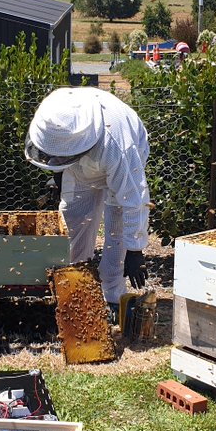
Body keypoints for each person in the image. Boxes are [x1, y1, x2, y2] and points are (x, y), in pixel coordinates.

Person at [25, 88, 151, 315]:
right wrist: (59, 172)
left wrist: (135, 250)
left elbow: (134, 199)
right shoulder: (57, 115)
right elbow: (56, 155)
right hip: (83, 162)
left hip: (118, 158)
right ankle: (76, 287)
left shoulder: (119, 147)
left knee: (116, 229)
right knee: (73, 219)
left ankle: (112, 297)